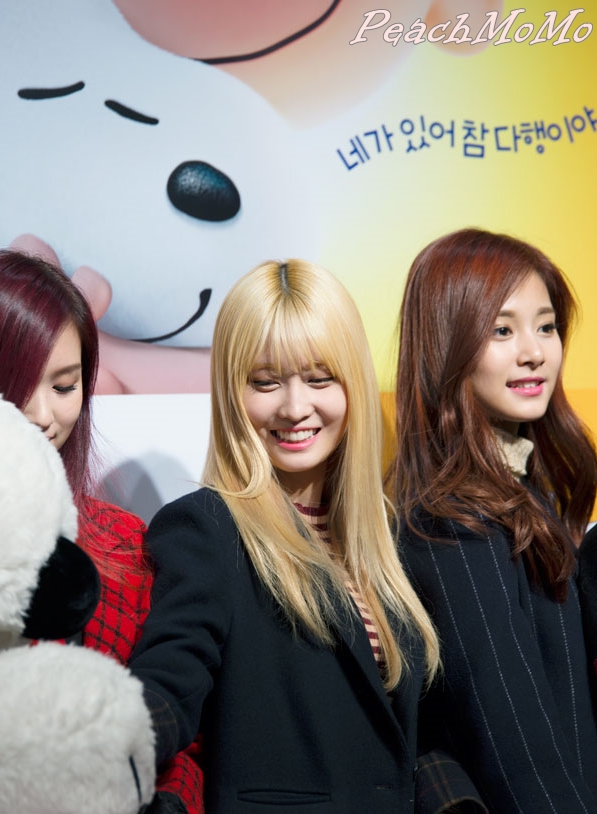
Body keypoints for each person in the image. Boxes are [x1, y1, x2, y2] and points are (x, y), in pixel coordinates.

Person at [0, 250, 203, 814]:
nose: (41, 415)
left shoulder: (125, 545)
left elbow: (174, 737)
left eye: (63, 386)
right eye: (12, 383)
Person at [128, 258, 441, 813]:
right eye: (265, 382)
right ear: (232, 392)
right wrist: (107, 740)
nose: (295, 408)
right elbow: (169, 682)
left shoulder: (391, 543)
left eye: (320, 378)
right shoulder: (207, 528)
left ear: (353, 384)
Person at [391, 227, 597, 813]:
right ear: (445, 345)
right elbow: (516, 746)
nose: (534, 351)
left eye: (546, 326)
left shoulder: (527, 492)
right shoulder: (449, 519)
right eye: (502, 330)